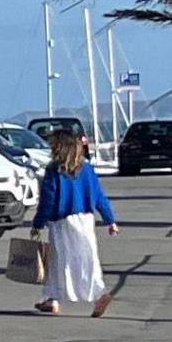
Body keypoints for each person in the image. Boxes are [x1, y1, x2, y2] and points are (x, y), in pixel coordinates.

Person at [32, 130, 119, 316]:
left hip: (62, 222)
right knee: (87, 259)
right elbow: (99, 197)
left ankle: (53, 298)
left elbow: (47, 201)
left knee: (59, 261)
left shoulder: (54, 171)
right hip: (86, 220)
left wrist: (38, 223)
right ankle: (96, 294)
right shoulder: (87, 170)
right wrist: (110, 220)